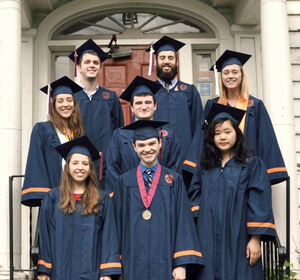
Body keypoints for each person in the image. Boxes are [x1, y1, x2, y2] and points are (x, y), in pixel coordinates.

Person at [188, 103, 276, 280]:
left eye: (227, 131)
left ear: (237, 133)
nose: (222, 137)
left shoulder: (251, 163)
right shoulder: (205, 166)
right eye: (217, 133)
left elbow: (259, 200)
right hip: (207, 237)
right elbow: (194, 198)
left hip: (239, 236)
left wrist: (255, 239)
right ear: (211, 137)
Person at [112, 119, 204, 280]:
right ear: (134, 147)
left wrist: (181, 264)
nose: (147, 149)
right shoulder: (124, 182)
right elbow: (115, 226)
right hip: (133, 264)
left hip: (166, 264)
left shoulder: (174, 180)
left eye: (152, 143)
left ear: (160, 143)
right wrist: (118, 265)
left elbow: (183, 223)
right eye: (142, 145)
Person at [37, 135, 121, 280]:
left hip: (92, 275)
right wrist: (44, 268)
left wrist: (107, 270)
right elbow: (45, 235)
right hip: (59, 274)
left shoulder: (102, 199)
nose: (80, 167)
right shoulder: (53, 198)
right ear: (67, 167)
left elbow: (110, 236)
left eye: (85, 163)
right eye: (75, 163)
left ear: (91, 169)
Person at [205, 49, 288, 184]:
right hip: (219, 171)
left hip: (249, 171)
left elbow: (266, 139)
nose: (230, 76)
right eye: (226, 73)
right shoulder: (212, 105)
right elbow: (205, 140)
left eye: (235, 72)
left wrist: (268, 172)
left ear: (242, 75)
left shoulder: (255, 105)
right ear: (221, 78)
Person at [105, 75, 182, 193]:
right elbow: (113, 170)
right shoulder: (120, 135)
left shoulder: (168, 135)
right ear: (132, 108)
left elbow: (174, 169)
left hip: (163, 197)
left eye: (148, 102)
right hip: (128, 197)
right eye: (139, 103)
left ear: (155, 106)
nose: (144, 107)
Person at [146, 35, 204, 186]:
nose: (166, 61)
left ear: (176, 62)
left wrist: (192, 160)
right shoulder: (148, 93)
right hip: (154, 162)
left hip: (186, 164)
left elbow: (200, 127)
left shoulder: (189, 91)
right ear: (156, 62)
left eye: (171, 58)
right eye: (162, 57)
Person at [69, 39, 124, 188]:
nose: (92, 65)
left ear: (100, 68)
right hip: (77, 162)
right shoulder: (71, 97)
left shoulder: (110, 97)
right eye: (87, 62)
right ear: (79, 67)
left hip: (105, 164)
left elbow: (119, 131)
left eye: (96, 62)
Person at [21, 76, 84, 207]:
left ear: (74, 104)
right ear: (53, 105)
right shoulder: (42, 129)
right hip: (54, 197)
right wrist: (46, 197)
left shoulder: (78, 133)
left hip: (78, 196)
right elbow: (36, 161)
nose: (65, 105)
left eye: (69, 100)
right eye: (60, 101)